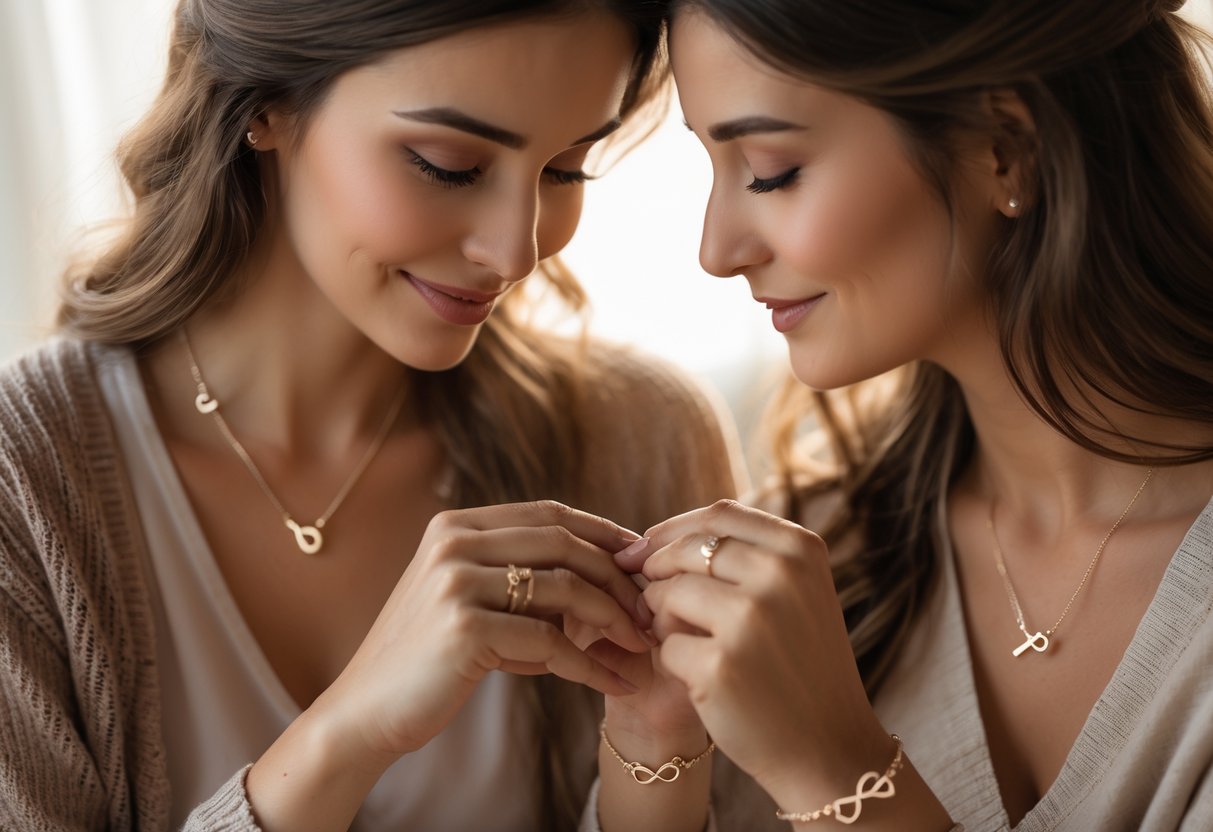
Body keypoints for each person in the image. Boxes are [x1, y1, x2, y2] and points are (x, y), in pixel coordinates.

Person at [0, 1, 748, 829]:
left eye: (566, 168)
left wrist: (653, 753)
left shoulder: (640, 439)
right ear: (263, 105)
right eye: (448, 164)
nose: (514, 250)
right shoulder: (22, 493)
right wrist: (346, 736)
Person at [591, 0, 1213, 830]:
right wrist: (656, 737)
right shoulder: (824, 562)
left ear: (1006, 151)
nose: (716, 248)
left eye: (771, 170)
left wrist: (836, 768)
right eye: (711, 164)